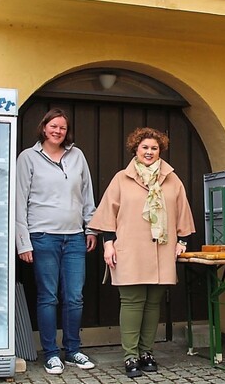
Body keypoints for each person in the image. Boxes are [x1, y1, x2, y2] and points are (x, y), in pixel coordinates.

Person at [88, 127, 195, 379]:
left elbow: (182, 212)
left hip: (162, 251)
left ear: (160, 151)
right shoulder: (121, 179)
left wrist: (183, 241)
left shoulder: (171, 179)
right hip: (130, 249)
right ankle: (130, 355)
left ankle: (147, 352)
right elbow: (107, 215)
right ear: (135, 149)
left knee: (152, 303)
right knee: (132, 302)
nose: (149, 152)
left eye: (154, 148)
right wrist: (107, 244)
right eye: (145, 147)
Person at [15, 108, 98, 375]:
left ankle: (72, 350)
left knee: (74, 297)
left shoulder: (77, 156)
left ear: (67, 131)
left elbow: (87, 194)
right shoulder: (29, 157)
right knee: (48, 297)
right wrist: (23, 242)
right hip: (43, 237)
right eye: (53, 126)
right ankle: (51, 353)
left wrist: (91, 228)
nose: (58, 131)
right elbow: (19, 200)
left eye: (62, 127)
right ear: (43, 128)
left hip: (74, 237)